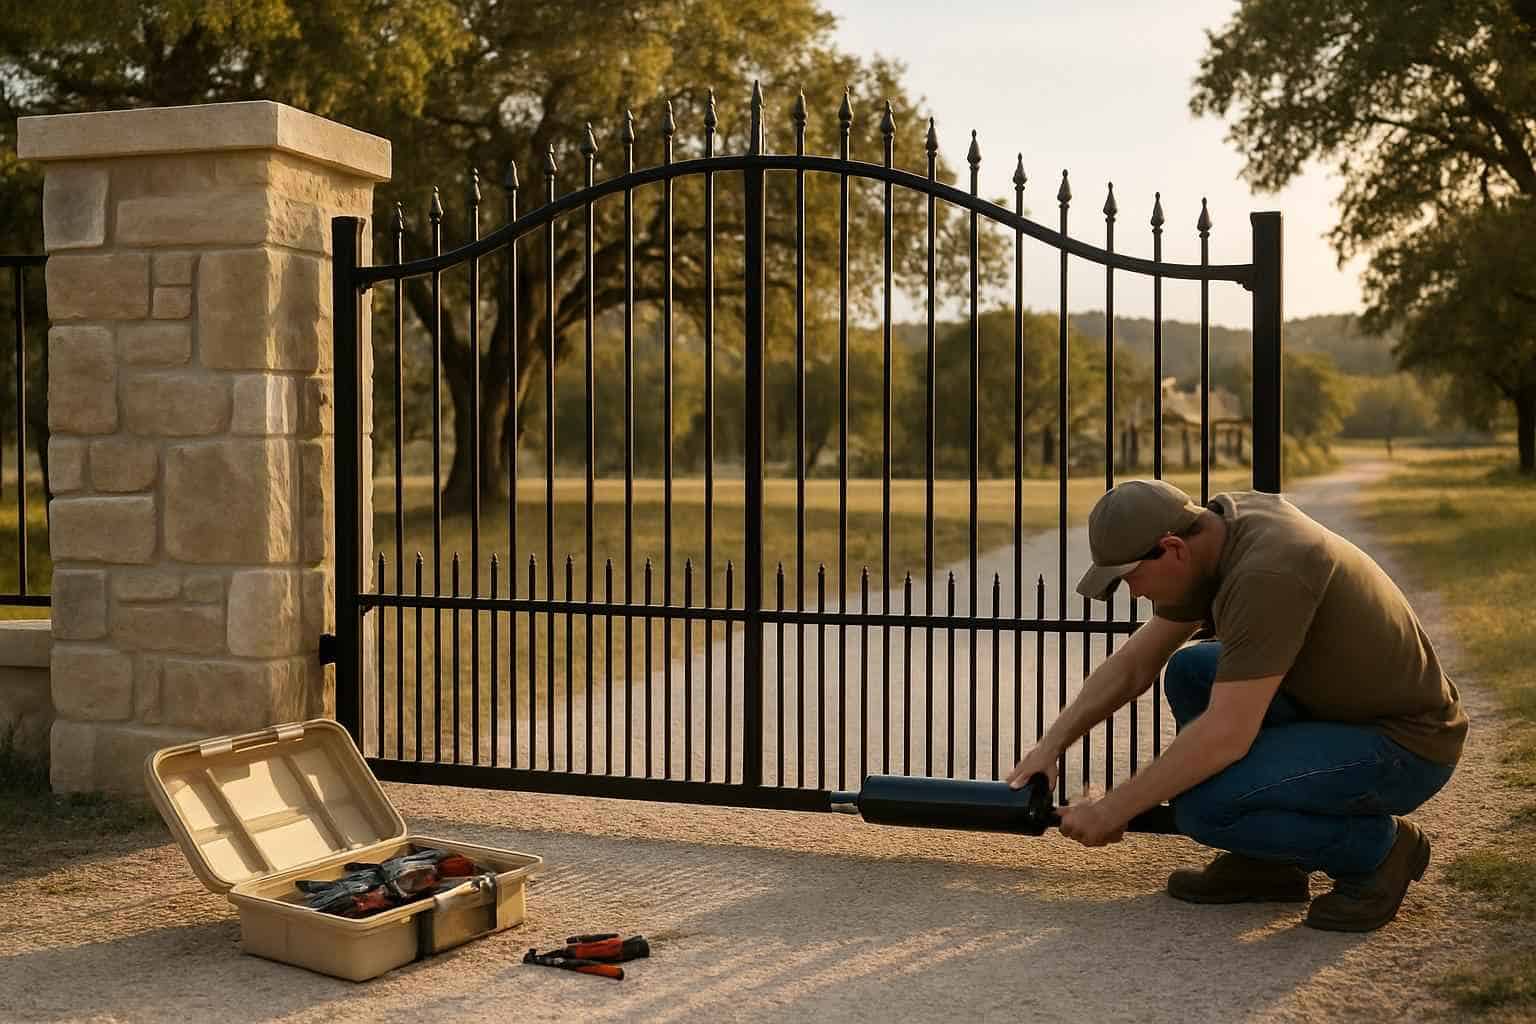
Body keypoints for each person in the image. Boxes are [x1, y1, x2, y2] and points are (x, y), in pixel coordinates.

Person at [1006, 479, 1467, 932]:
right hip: (1339, 713)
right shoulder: (1218, 533)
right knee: (1192, 671)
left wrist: (1112, 810)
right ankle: (1270, 862)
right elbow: (1132, 667)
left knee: (1204, 807)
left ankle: (1379, 851)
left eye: (1130, 578)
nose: (1134, 594)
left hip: (1404, 746)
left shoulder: (1268, 572)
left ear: (1172, 549)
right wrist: (1050, 747)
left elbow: (1226, 735)